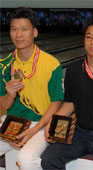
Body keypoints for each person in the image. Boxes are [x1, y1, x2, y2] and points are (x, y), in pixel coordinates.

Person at [41, 18, 93, 170]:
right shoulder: (73, 69)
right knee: (49, 159)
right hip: (80, 133)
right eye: (89, 37)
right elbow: (70, 102)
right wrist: (53, 122)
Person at [0, 7, 64, 170]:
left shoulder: (51, 64)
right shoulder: (3, 66)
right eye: (14, 29)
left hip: (41, 124)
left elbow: (56, 103)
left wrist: (34, 130)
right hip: (11, 123)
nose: (18, 34)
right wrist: (10, 95)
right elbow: (3, 106)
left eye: (24, 29)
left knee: (26, 160)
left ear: (34, 32)